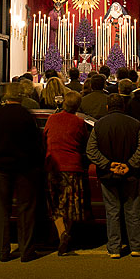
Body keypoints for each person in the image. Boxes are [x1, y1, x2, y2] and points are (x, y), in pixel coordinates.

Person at [0, 82, 44, 262]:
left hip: (0, 168)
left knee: (1, 210)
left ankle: (3, 250)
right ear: (21, 96)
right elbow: (36, 143)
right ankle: (26, 250)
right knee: (26, 210)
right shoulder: (27, 116)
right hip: (25, 169)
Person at [87, 93, 140, 257]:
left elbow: (91, 151)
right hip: (131, 174)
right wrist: (129, 165)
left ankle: (114, 248)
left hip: (108, 175)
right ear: (123, 106)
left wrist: (108, 164)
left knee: (112, 212)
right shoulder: (134, 124)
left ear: (107, 107)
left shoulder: (99, 125)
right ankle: (136, 246)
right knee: (133, 210)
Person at [43, 90, 89, 255]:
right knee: (70, 205)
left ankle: (62, 233)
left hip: (53, 165)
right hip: (72, 166)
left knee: (55, 203)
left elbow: (44, 138)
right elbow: (84, 143)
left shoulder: (52, 119)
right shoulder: (79, 122)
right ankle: (65, 234)